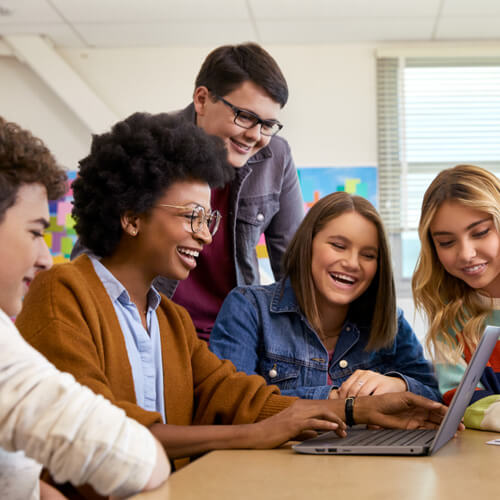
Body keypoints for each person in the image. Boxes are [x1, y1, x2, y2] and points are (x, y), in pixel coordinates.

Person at [17, 113, 448, 498]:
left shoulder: (169, 317)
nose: (205, 235)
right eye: (191, 217)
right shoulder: (63, 290)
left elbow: (239, 395)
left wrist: (356, 409)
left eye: (209, 220)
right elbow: (105, 434)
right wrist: (257, 434)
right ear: (131, 217)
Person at [72, 42, 305, 342]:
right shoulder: (151, 144)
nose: (256, 136)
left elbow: (295, 263)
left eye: (268, 124)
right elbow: (94, 248)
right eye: (245, 117)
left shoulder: (277, 156)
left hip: (234, 335)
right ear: (202, 99)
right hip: (152, 328)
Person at [0, 116, 170, 500]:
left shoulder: (169, 316)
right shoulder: (63, 291)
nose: (45, 257)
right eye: (33, 232)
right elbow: (133, 461)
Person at [211, 192, 440, 402]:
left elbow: (434, 397)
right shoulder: (249, 308)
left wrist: (399, 384)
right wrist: (335, 401)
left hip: (369, 448)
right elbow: (229, 401)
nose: (352, 263)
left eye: (368, 255)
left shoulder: (390, 321)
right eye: (338, 246)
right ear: (307, 245)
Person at [413, 164, 500, 431]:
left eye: (480, 232)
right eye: (447, 242)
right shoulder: (450, 319)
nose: (465, 254)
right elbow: (461, 398)